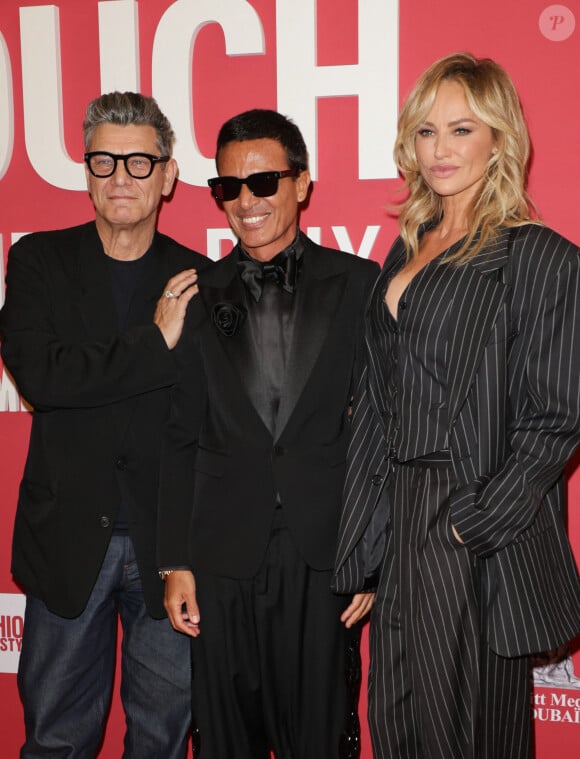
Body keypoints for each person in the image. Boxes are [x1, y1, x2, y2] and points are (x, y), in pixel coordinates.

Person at [333, 53, 580, 758]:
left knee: (465, 728)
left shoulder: (538, 257)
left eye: (461, 130)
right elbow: (379, 406)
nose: (439, 150)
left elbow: (558, 415)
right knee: (400, 720)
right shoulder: (406, 245)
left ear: (499, 139)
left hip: (467, 510)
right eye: (426, 131)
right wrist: (368, 547)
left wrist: (472, 523)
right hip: (403, 510)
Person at [157, 108, 379, 758]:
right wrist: (173, 560)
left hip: (324, 549)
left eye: (264, 183)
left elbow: (377, 430)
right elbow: (178, 434)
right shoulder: (196, 295)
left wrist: (371, 550)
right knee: (225, 740)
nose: (245, 202)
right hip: (222, 553)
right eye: (228, 187)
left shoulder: (360, 285)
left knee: (319, 734)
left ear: (302, 183)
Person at [0, 91, 211, 757]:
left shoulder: (197, 279)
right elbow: (43, 376)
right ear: (87, 171)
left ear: (169, 175)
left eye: (140, 162)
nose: (121, 176)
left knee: (162, 738)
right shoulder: (38, 261)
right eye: (105, 160)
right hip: (66, 543)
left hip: (168, 549)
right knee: (57, 737)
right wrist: (153, 346)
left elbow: (201, 415)